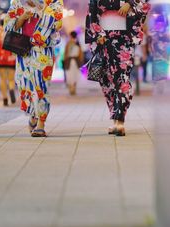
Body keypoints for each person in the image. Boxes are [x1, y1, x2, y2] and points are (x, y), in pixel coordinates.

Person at [85, 0, 151, 136]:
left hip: (124, 39)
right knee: (107, 81)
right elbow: (92, 12)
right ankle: (114, 117)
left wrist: (131, 4)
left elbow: (144, 4)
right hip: (103, 39)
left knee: (122, 78)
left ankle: (120, 121)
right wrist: (98, 34)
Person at [4, 0, 63, 137]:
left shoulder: (53, 1)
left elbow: (57, 21)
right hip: (22, 47)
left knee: (41, 85)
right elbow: (9, 24)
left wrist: (40, 8)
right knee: (24, 83)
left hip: (42, 48)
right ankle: (33, 114)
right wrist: (23, 17)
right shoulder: (18, 1)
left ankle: (41, 122)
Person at [63, 31, 83, 96]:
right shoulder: (78, 43)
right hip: (76, 61)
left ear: (71, 36)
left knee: (69, 75)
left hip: (69, 61)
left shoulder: (69, 43)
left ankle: (71, 89)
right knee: (75, 75)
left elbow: (66, 53)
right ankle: (74, 89)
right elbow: (81, 54)